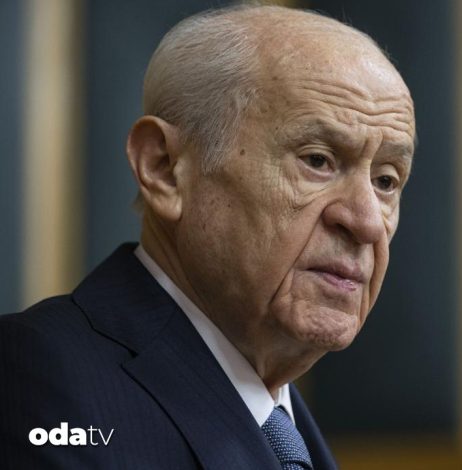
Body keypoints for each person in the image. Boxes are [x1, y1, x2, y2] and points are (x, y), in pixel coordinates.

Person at [0, 4, 416, 469]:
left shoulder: (283, 428)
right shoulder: (30, 379)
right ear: (164, 168)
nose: (366, 223)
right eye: (317, 160)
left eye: (386, 181)